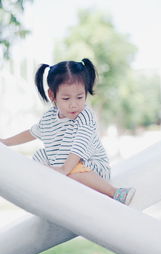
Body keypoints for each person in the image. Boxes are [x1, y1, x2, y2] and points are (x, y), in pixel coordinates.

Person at [0, 58, 136, 205]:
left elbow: (79, 146)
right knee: (39, 157)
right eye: (66, 98)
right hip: (64, 167)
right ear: (52, 95)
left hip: (90, 168)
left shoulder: (85, 116)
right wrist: (6, 142)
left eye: (80, 97)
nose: (74, 104)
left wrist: (64, 170)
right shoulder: (49, 117)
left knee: (74, 169)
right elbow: (32, 133)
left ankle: (115, 192)